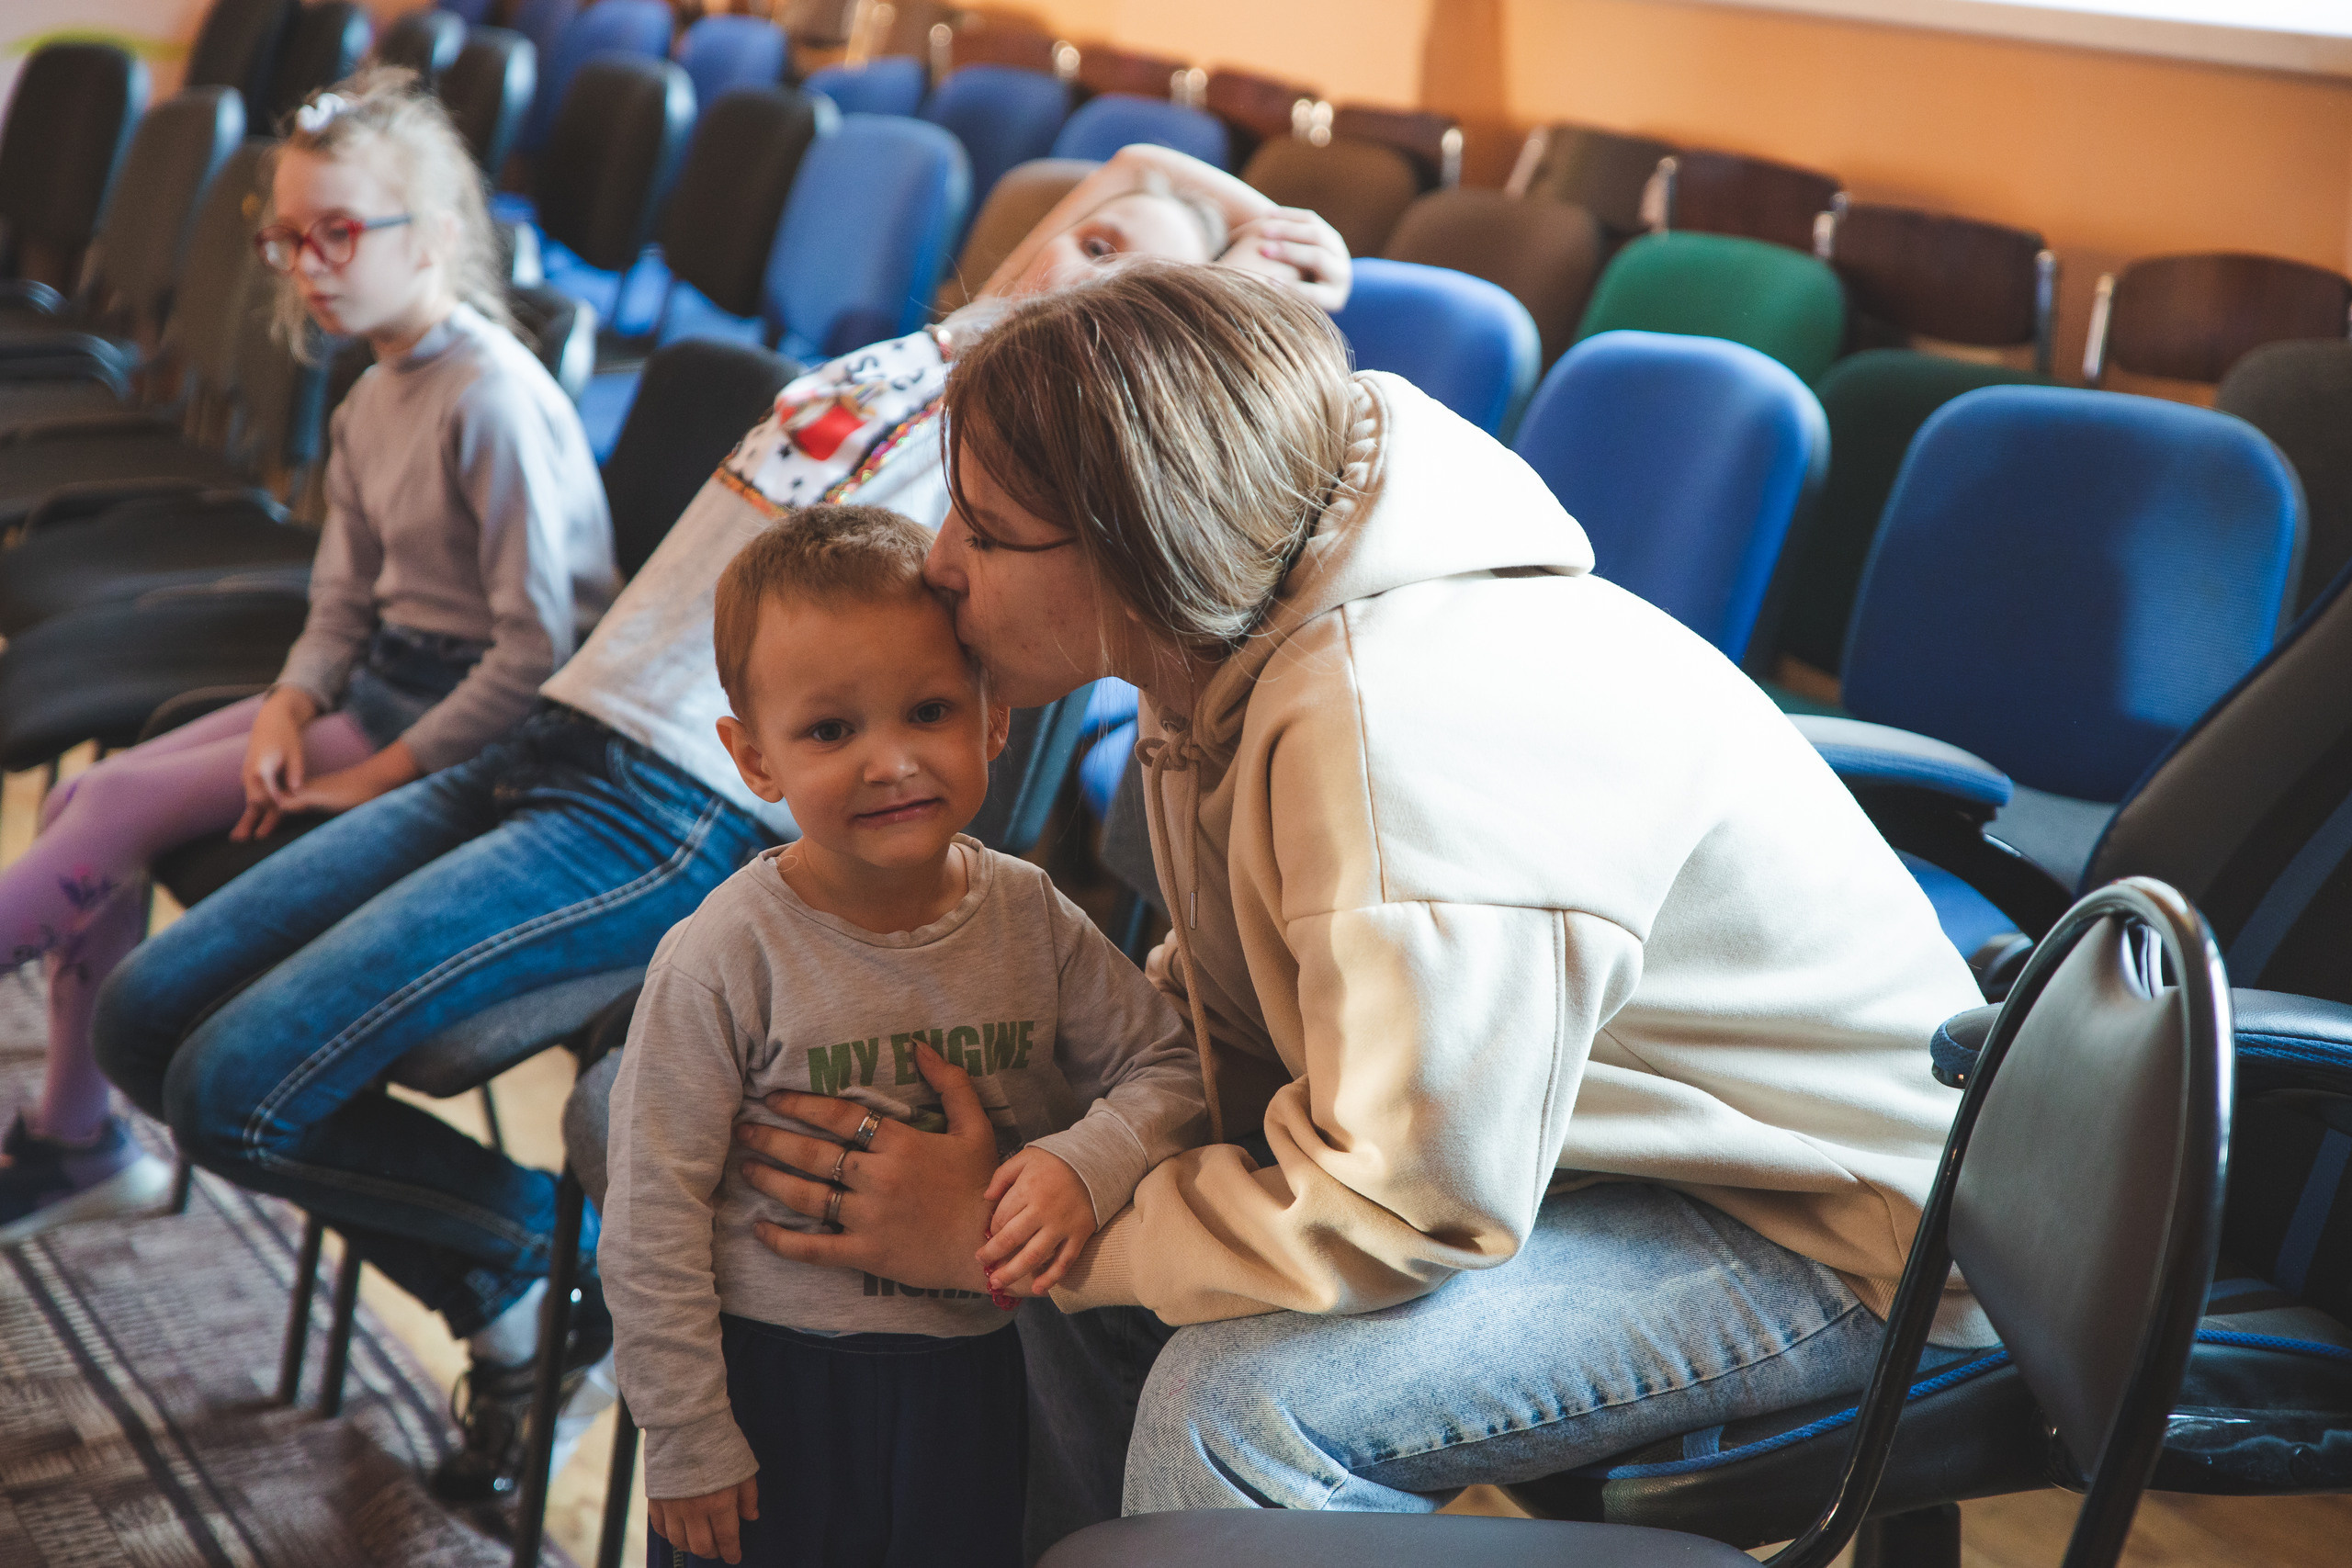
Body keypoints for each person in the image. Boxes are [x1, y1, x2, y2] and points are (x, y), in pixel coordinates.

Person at [92, 147, 1349, 1500]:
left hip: (672, 803)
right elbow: (1114, 173)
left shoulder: (1037, 463)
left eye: (1130, 278)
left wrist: (1280, 255)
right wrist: (1196, 191)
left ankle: (545, 1263)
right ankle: (530, 1266)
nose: (1077, 266)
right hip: (551, 724)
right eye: (1087, 242)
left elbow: (1228, 416)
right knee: (141, 1018)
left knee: (236, 1087)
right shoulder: (908, 360)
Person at [722, 262, 1998, 1551]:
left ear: (1139, 533)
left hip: (1844, 1228)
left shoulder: (1399, 738)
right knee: (1034, 1175)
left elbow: (1404, 1207)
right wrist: (1038, 1143)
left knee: (1238, 1408)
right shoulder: (1227, 630)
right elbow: (1235, 1012)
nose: (940, 565)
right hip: (1595, 1153)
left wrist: (993, 1235)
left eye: (986, 533)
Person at [0, 70, 614, 1245]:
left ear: (433, 234)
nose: (309, 266)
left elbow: (537, 658)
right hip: (380, 683)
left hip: (461, 730)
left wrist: (372, 775)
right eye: (288, 240)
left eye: (337, 233)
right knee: (92, 792)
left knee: (113, 801)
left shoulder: (492, 401)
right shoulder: (372, 392)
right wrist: (287, 702)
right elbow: (338, 603)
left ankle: (80, 1143)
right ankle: (79, 1140)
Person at [602, 507, 1204, 1567]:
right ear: (754, 757)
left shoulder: (1031, 918)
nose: (889, 764)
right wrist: (687, 1433)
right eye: (831, 732)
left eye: (927, 711)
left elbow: (1172, 1064)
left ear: (993, 722)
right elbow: (653, 1215)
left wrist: (1085, 1159)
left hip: (967, 1380)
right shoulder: (722, 957)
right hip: (763, 1384)